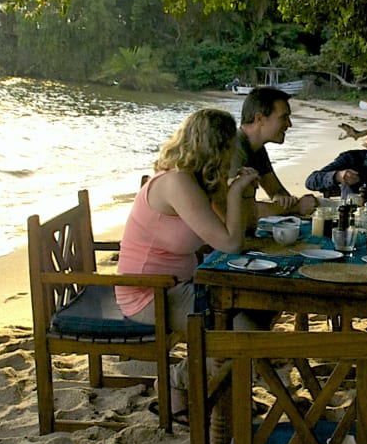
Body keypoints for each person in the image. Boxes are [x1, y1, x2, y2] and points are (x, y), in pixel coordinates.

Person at [115, 108, 271, 421]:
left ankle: (215, 388)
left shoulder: (196, 181)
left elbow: (236, 230)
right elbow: (231, 243)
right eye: (229, 147)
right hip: (150, 294)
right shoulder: (177, 183)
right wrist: (237, 190)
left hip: (183, 284)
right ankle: (177, 381)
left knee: (262, 308)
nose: (233, 154)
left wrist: (235, 193)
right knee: (245, 329)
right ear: (217, 147)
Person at [231, 87, 318, 218]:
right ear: (259, 119)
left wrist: (281, 199)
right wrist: (296, 206)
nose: (289, 124)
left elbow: (276, 190)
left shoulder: (256, 148)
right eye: (284, 117)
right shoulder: (233, 148)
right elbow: (237, 210)